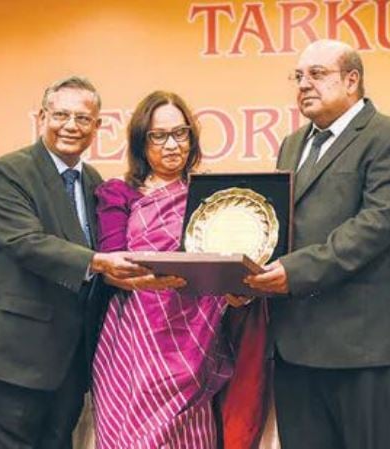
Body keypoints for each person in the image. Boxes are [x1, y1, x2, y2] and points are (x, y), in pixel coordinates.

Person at [246, 39, 390, 449]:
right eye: (298, 76)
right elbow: (278, 227)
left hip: (364, 347)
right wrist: (246, 276)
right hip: (295, 344)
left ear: (351, 80)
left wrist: (294, 271)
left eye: (317, 74)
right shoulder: (293, 144)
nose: (304, 84)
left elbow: (373, 227)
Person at [0, 76, 156, 448]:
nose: (70, 125)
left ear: (97, 126)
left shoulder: (92, 180)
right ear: (41, 117)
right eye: (60, 114)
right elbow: (26, 242)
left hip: (67, 362)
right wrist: (99, 262)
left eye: (83, 118)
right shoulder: (10, 172)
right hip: (11, 358)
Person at [92, 90, 267, 449]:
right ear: (141, 142)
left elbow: (228, 268)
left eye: (181, 133)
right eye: (159, 136)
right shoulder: (119, 194)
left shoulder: (214, 198)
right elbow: (114, 262)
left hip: (195, 348)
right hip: (135, 346)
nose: (172, 145)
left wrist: (239, 292)